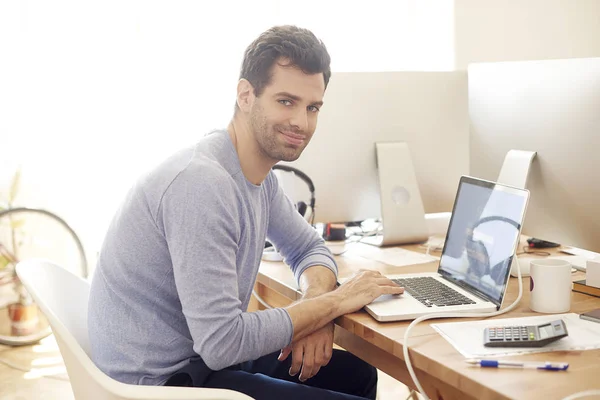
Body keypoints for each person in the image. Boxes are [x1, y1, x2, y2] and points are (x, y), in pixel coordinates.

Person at [88, 25, 404, 400]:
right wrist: (333, 303)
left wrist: (316, 310)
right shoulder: (202, 184)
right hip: (162, 384)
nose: (301, 122)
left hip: (199, 360)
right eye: (286, 101)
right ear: (245, 96)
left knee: (356, 374)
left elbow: (309, 249)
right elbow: (222, 342)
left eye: (312, 107)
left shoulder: (256, 175)